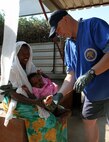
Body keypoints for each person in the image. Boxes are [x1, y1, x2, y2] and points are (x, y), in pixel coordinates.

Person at [48, 10, 109, 142]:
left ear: (65, 19)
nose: (58, 34)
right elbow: (71, 74)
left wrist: (91, 73)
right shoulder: (68, 45)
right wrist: (60, 95)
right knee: (88, 121)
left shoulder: (93, 25)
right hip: (92, 95)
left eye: (57, 29)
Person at [1, 41, 68, 142]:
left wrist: (42, 97)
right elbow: (13, 95)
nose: (26, 56)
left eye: (28, 53)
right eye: (23, 53)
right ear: (16, 53)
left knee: (59, 111)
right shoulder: (11, 70)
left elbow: (40, 82)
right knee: (46, 119)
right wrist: (35, 102)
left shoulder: (30, 66)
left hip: (32, 97)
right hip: (15, 101)